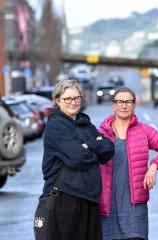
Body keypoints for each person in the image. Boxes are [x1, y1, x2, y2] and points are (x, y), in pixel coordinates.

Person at [98, 87, 158, 240]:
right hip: (107, 209)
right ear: (113, 105)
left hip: (135, 211)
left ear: (134, 105)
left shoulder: (143, 130)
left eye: (128, 102)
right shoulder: (100, 134)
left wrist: (154, 165)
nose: (124, 105)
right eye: (120, 102)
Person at [41, 79, 114, 240]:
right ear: (58, 100)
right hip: (65, 198)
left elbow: (109, 149)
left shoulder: (85, 124)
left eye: (77, 98)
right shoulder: (56, 126)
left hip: (90, 199)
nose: (73, 102)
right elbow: (78, 157)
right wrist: (95, 146)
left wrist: (87, 145)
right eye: (68, 99)